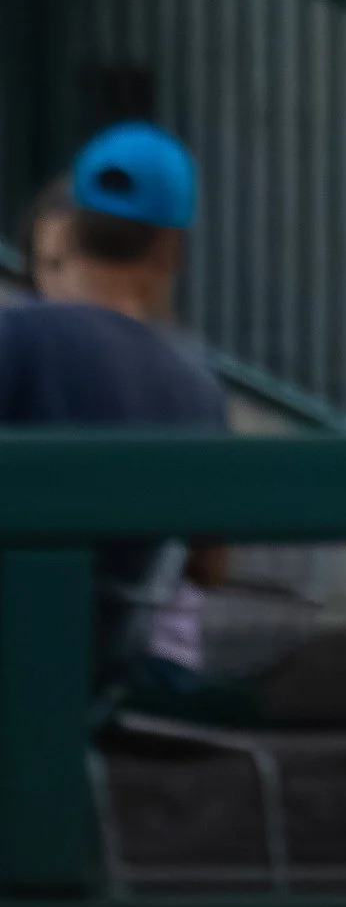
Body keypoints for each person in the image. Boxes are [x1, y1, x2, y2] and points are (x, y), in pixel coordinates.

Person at [4, 126, 226, 687]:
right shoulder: (197, 389)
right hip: (101, 664)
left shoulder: (17, 337)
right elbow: (209, 566)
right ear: (171, 248)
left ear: (70, 230)